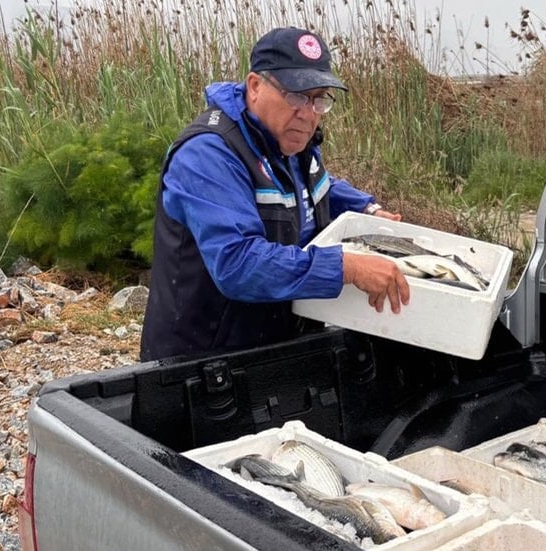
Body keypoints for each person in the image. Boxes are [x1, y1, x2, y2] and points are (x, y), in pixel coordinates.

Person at [141, 26, 410, 361]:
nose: (309, 113)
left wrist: (366, 208)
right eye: (296, 95)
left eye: (319, 99)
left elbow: (316, 184)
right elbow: (237, 264)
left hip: (274, 349)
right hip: (201, 365)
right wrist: (346, 268)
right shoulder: (207, 155)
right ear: (255, 86)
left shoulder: (287, 138)